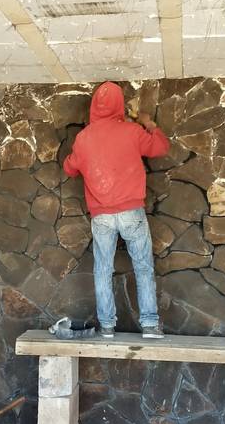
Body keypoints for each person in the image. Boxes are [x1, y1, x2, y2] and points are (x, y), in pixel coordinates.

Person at [62, 81, 170, 340]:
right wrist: (148, 122)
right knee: (143, 267)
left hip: (101, 216)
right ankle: (150, 325)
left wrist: (80, 157)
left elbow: (69, 168)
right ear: (120, 105)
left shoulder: (84, 138)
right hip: (132, 211)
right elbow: (160, 148)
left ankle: (107, 326)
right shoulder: (132, 131)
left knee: (102, 269)